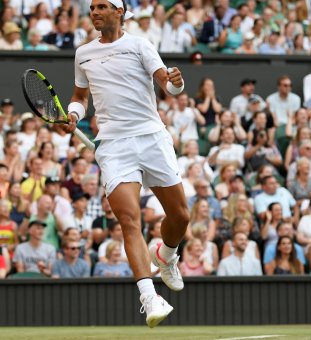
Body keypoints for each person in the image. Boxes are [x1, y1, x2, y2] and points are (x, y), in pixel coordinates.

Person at [66, 0, 190, 327]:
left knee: (180, 215)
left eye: (102, 6)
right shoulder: (83, 53)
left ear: (119, 12)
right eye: (92, 7)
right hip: (113, 144)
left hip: (151, 136)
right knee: (128, 220)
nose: (94, 12)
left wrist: (177, 81)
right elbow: (80, 97)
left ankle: (166, 256)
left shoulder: (139, 44)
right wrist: (74, 115)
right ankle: (149, 297)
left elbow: (168, 84)